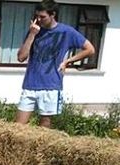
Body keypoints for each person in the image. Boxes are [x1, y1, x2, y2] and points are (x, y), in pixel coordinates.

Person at [15, 0, 96, 128]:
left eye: (42, 17)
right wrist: (32, 34)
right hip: (30, 84)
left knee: (44, 127)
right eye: (37, 16)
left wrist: (68, 61)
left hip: (51, 85)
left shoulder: (66, 32)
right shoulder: (34, 31)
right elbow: (21, 57)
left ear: (53, 15)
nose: (39, 20)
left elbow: (90, 49)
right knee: (18, 126)